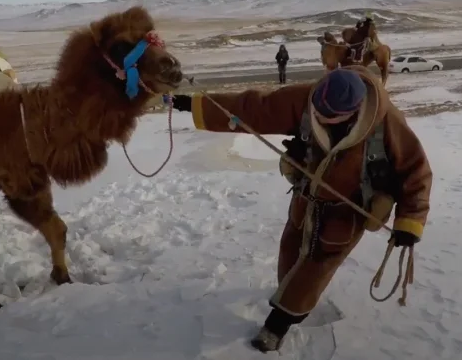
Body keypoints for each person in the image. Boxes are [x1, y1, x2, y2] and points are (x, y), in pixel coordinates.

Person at [171, 66, 433, 352]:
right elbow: (256, 108)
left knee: (316, 267)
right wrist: (195, 105)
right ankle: (289, 293)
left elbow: (416, 172)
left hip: (347, 214)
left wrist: (410, 222)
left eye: (327, 116)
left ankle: (277, 324)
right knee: (290, 251)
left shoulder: (387, 122)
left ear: (353, 112)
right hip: (304, 199)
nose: (317, 116)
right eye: (316, 111)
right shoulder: (311, 97)